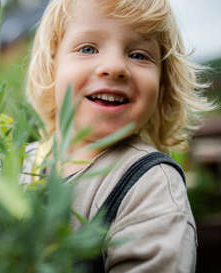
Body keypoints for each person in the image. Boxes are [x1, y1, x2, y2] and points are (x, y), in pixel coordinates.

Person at [22, 0, 215, 272]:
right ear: (52, 67)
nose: (114, 67)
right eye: (87, 48)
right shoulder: (19, 162)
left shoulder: (150, 183)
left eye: (138, 55)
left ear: (163, 84)